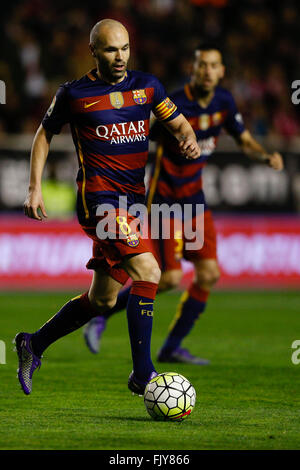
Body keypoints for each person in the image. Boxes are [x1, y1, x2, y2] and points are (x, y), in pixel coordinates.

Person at [15, 19, 201, 396]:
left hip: (133, 204)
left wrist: (189, 140)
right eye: (112, 49)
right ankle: (144, 375)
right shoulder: (74, 94)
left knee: (103, 299)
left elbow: (180, 125)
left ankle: (32, 344)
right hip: (99, 201)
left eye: (125, 48)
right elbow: (44, 133)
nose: (120, 57)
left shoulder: (147, 87)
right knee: (150, 270)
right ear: (94, 51)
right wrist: (34, 187)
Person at [83, 43, 284, 364]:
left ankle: (172, 347)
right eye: (201, 64)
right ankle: (101, 315)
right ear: (193, 69)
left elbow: (243, 139)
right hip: (165, 200)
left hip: (195, 202)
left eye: (213, 65)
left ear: (222, 72)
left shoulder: (224, 101)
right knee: (169, 279)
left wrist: (265, 156)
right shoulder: (173, 102)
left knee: (208, 274)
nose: (207, 71)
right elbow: (138, 135)